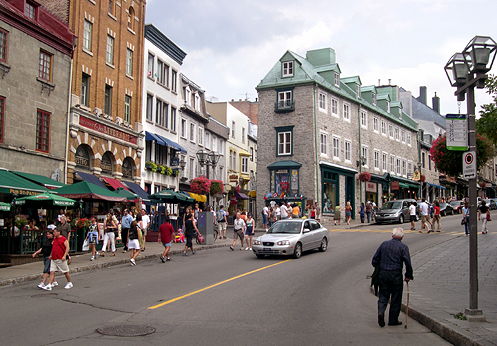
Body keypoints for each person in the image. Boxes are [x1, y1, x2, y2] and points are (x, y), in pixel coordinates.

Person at [372, 227, 413, 327]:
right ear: (402, 237)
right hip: (396, 275)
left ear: (392, 235)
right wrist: (408, 275)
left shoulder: (384, 244)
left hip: (383, 274)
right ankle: (393, 320)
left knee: (383, 295)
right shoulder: (403, 248)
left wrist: (378, 267)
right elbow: (407, 262)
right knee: (396, 297)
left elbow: (374, 260)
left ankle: (381, 311)